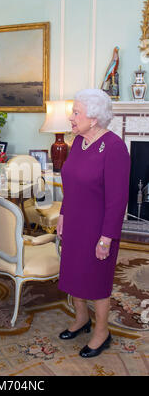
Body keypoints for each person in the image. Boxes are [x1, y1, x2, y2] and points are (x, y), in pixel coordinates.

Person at [57, 88, 130, 358]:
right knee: (74, 274)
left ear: (94, 118)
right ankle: (81, 319)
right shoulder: (79, 142)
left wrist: (107, 237)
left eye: (76, 112)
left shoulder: (114, 147)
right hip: (75, 222)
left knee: (97, 281)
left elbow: (118, 199)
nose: (71, 117)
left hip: (99, 228)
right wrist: (63, 213)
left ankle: (102, 332)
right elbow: (71, 183)